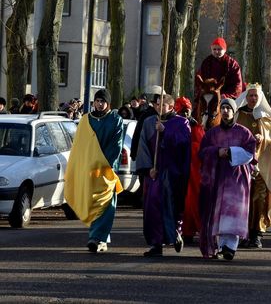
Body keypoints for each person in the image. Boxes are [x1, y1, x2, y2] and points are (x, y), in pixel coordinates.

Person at [64, 89, 124, 253]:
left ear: (108, 104)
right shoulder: (85, 120)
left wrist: (105, 165)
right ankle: (102, 239)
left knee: (104, 204)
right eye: (97, 101)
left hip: (105, 170)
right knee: (92, 203)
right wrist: (82, 166)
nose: (99, 104)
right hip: (89, 171)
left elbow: (116, 145)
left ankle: (96, 238)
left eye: (102, 101)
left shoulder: (115, 120)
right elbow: (80, 147)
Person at [199, 98, 257, 261]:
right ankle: (221, 244)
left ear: (234, 111)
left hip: (237, 180)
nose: (225, 111)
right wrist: (217, 152)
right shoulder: (212, 133)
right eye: (223, 108)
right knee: (219, 212)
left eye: (228, 108)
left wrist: (231, 152)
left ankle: (230, 247)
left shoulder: (244, 132)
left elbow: (251, 153)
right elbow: (202, 152)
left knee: (233, 212)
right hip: (217, 178)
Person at [136, 94, 191, 257]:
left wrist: (165, 131)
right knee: (152, 206)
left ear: (171, 107)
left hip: (173, 172)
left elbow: (184, 144)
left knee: (172, 206)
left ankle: (175, 233)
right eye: (157, 104)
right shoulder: (148, 123)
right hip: (155, 172)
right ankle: (156, 243)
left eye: (163, 105)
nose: (159, 108)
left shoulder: (181, 123)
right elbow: (143, 146)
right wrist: (147, 169)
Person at [234, 84, 271, 249]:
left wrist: (264, 138)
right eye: (250, 96)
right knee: (242, 199)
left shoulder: (268, 117)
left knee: (259, 198)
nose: (253, 98)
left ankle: (257, 233)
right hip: (241, 165)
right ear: (246, 97)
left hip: (261, 165)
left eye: (255, 96)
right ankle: (243, 232)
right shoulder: (238, 115)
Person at [177, 97, 206, 244]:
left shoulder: (196, 127)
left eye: (187, 110)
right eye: (183, 110)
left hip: (193, 170)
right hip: (180, 168)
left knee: (193, 200)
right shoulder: (173, 124)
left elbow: (201, 147)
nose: (186, 113)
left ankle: (192, 229)